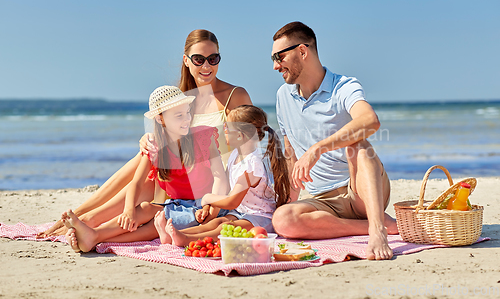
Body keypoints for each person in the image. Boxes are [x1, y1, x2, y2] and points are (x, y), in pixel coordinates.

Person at [38, 29, 251, 238]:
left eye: (213, 58)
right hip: (187, 175)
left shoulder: (234, 95)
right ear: (186, 61)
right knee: (147, 154)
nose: (206, 66)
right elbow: (172, 135)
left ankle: (89, 221)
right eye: (199, 59)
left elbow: (250, 146)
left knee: (150, 167)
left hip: (217, 179)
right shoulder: (182, 100)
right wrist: (147, 138)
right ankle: (87, 216)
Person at [269, 21, 398, 260]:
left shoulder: (343, 86)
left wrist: (318, 148)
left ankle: (377, 228)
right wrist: (287, 203)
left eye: (280, 56)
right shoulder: (282, 96)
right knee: (283, 220)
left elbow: (370, 120)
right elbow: (290, 155)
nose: (276, 65)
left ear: (302, 51)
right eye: (273, 58)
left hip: (359, 191)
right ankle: (373, 226)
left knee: (358, 145)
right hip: (323, 202)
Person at [63, 85, 230, 252]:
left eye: (187, 113)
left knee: (157, 223)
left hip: (208, 205)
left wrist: (211, 208)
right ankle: (93, 235)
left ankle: (96, 236)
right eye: (179, 116)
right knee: (145, 209)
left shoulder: (202, 137)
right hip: (178, 205)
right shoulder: (155, 147)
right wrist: (128, 211)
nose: (186, 119)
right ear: (160, 119)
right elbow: (136, 183)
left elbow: (219, 177)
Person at [155, 105, 291, 247]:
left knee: (224, 228)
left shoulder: (251, 164)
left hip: (261, 217)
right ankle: (174, 235)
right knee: (216, 222)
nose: (223, 130)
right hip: (242, 212)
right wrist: (208, 207)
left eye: (226, 127)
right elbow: (226, 189)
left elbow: (232, 201)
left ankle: (185, 240)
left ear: (239, 135)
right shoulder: (235, 155)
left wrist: (207, 198)